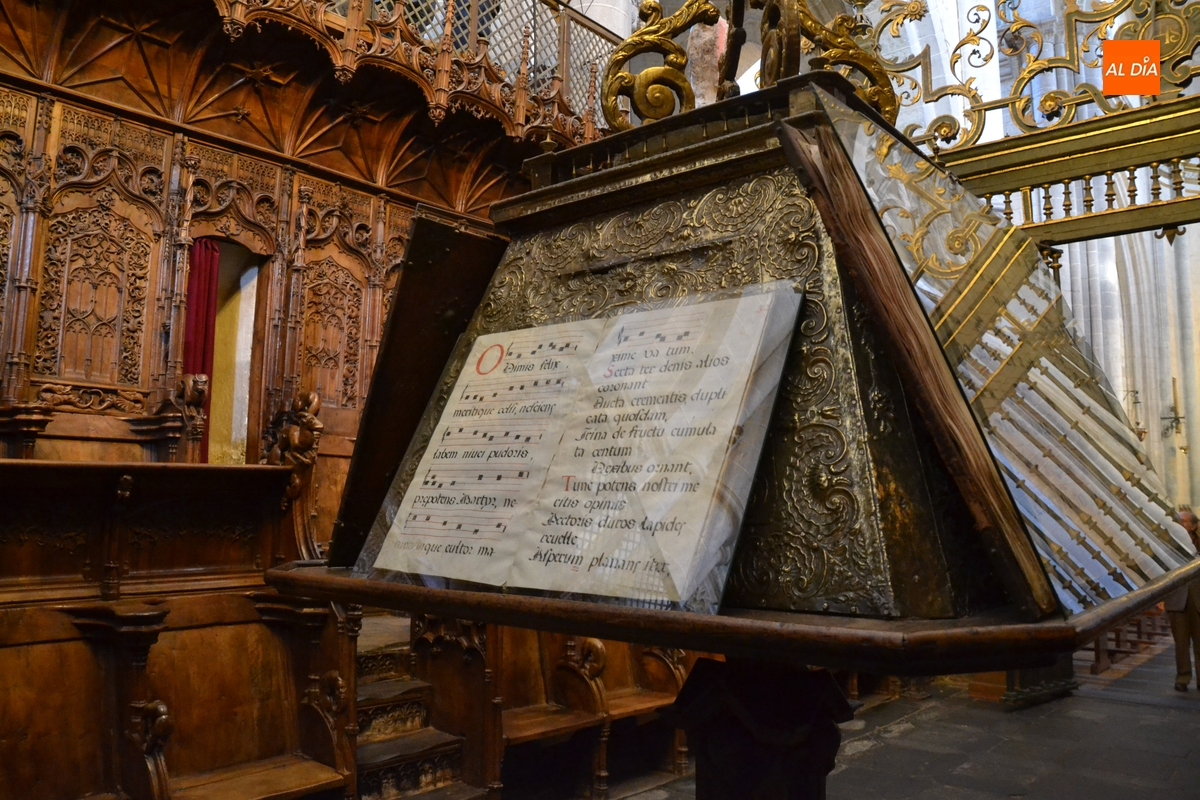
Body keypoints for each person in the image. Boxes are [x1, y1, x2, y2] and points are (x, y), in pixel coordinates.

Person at [1166, 508, 1200, 691]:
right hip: (1177, 600)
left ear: (1194, 525)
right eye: (1178, 521)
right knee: (1181, 644)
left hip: (1198, 599)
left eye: (1184, 521)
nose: (1180, 524)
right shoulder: (1169, 545)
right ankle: (1183, 678)